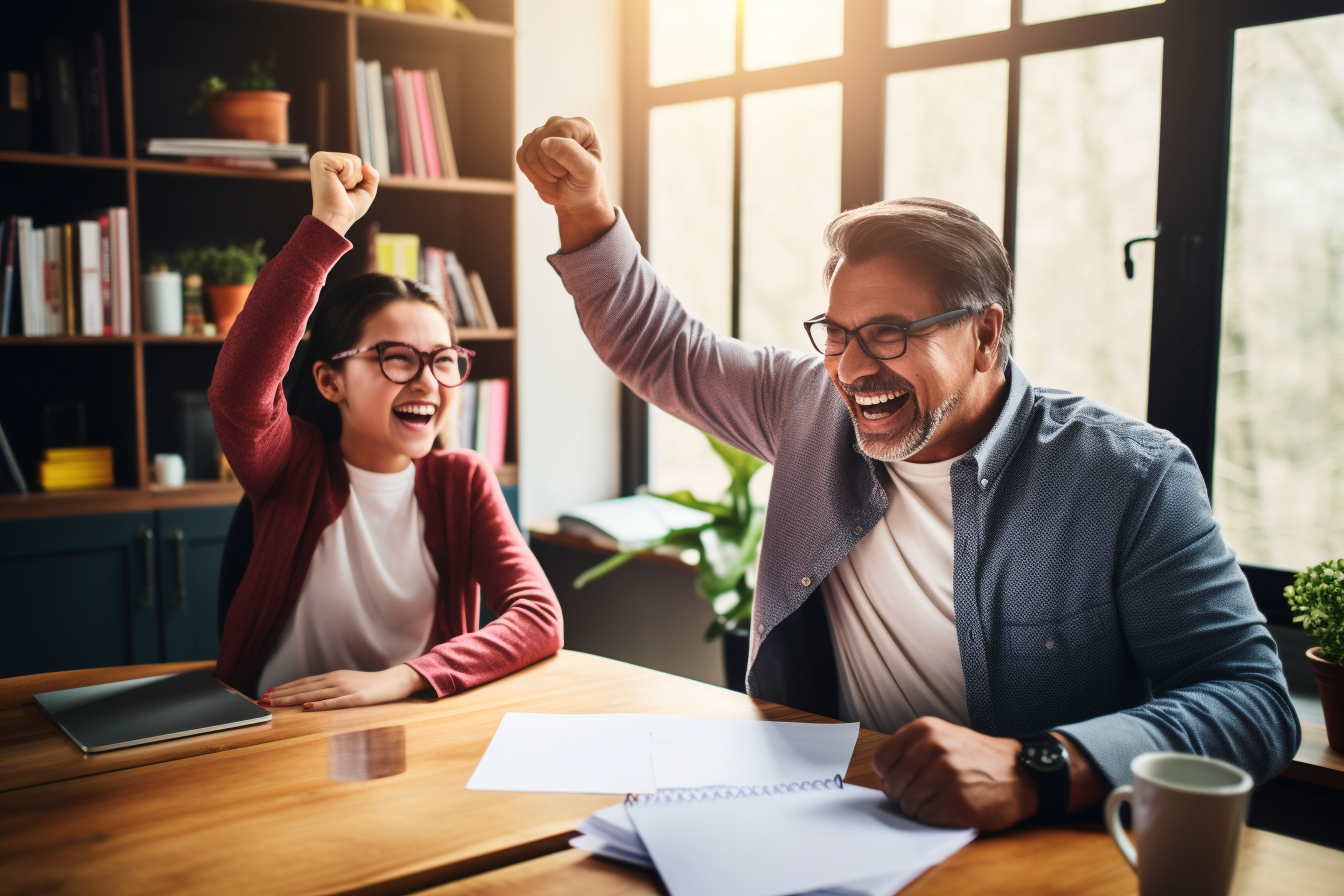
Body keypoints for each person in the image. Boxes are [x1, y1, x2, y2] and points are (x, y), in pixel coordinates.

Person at [516, 117, 1299, 830]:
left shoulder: (1130, 478)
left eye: (889, 334)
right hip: (837, 824)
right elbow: (664, 348)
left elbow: (1252, 702)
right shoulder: (806, 406)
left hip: (1047, 848)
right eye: (837, 332)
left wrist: (1039, 767)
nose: (853, 368)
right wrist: (585, 210)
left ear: (985, 335)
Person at [211, 151, 562, 710]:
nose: (427, 381)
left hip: (412, 728)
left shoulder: (462, 481)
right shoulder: (291, 464)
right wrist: (326, 227)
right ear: (330, 381)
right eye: (396, 358)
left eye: (443, 359)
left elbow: (539, 617)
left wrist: (402, 677)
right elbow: (238, 390)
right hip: (277, 730)